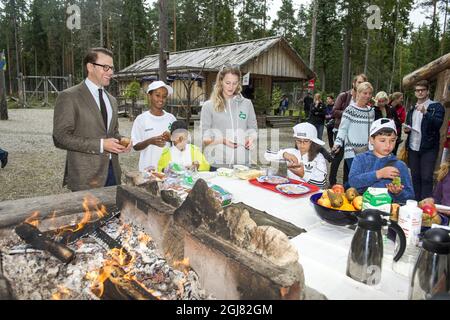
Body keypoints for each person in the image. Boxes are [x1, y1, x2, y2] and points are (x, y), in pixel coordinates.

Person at [53, 48, 132, 191]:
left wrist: (122, 140)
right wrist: (101, 145)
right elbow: (60, 138)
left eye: (112, 68)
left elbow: (112, 133)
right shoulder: (69, 96)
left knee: (114, 213)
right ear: (90, 67)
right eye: (106, 67)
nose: (111, 72)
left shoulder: (112, 100)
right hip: (85, 178)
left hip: (113, 173)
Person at [200, 65, 258, 167]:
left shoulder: (247, 104)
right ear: (221, 81)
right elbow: (205, 139)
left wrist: (251, 138)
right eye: (228, 83)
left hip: (242, 164)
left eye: (235, 83)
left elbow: (253, 129)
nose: (231, 87)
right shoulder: (208, 106)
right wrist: (222, 140)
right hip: (217, 164)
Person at [348, 118, 414, 203]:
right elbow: (353, 182)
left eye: (392, 140)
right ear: (372, 140)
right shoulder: (361, 159)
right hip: (361, 209)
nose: (388, 145)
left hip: (388, 212)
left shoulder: (400, 166)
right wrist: (378, 174)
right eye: (382, 140)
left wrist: (398, 193)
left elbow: (410, 196)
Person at [404, 80, 445, 201]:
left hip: (429, 148)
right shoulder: (412, 108)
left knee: (426, 177)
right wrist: (407, 129)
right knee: (415, 176)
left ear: (428, 91)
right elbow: (410, 125)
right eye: (417, 90)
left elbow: (438, 124)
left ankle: (426, 203)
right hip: (413, 146)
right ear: (415, 92)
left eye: (422, 90)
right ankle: (416, 203)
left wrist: (426, 113)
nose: (420, 92)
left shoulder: (436, 107)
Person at [329, 73, 368, 186]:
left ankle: (347, 185)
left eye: (363, 82)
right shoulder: (344, 96)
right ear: (354, 83)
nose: (361, 84)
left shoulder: (365, 99)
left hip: (354, 135)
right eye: (359, 82)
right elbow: (334, 111)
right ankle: (332, 182)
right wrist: (349, 113)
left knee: (349, 159)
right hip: (340, 130)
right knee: (337, 158)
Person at [332, 82, 375, 179]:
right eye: (365, 93)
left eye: (369, 93)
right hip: (351, 150)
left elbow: (372, 131)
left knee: (362, 177)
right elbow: (343, 129)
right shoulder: (350, 109)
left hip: (366, 150)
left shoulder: (371, 111)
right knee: (357, 177)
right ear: (358, 93)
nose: (367, 96)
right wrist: (337, 143)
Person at [131, 81, 177, 172]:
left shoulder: (171, 118)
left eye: (164, 96)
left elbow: (180, 143)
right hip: (147, 169)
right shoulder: (141, 119)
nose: (161, 99)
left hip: (168, 170)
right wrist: (150, 141)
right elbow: (135, 146)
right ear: (149, 96)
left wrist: (171, 138)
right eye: (157, 95)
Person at [276, 122, 327, 188]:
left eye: (306, 141)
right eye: (299, 141)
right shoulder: (291, 152)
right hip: (290, 190)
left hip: (309, 194)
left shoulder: (319, 158)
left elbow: (321, 183)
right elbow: (267, 154)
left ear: (312, 142)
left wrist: (303, 175)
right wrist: (284, 154)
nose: (302, 145)